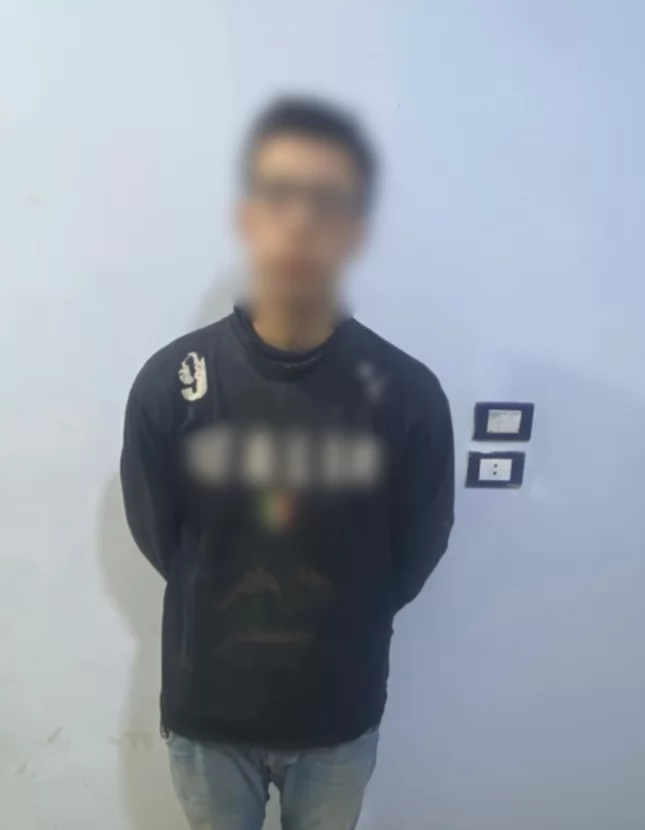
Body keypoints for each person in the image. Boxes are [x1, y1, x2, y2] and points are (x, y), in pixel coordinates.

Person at [120, 96, 455, 830]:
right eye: (278, 197)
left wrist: (345, 613)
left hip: (338, 714)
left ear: (355, 230)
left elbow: (417, 548)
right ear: (247, 218)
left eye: (326, 201)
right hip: (208, 712)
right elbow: (158, 534)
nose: (300, 221)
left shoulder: (406, 393)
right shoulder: (173, 382)